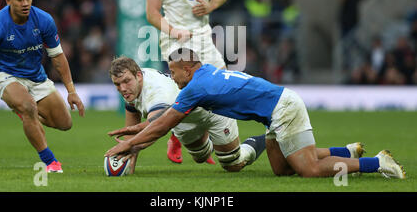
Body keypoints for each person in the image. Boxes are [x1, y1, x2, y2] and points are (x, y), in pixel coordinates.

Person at [105, 48, 406, 179]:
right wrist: (131, 133)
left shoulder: (195, 87)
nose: (173, 78)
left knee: (309, 169)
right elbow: (159, 122)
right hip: (273, 113)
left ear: (188, 68)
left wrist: (127, 144)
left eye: (175, 72)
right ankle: (347, 150)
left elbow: (161, 125)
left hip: (283, 107)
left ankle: (376, 163)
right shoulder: (206, 72)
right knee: (282, 169)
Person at [0, 0, 85, 173]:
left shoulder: (44, 20)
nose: (25, 3)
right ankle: (51, 162)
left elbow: (58, 57)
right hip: (4, 75)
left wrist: (71, 91)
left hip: (36, 76)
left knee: (65, 123)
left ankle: (27, 115)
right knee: (28, 106)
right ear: (8, 0)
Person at [145, 0, 229, 163]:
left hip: (202, 35)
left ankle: (197, 138)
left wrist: (210, 6)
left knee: (219, 86)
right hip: (174, 37)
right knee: (190, 88)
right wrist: (173, 30)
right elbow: (152, 14)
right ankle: (177, 137)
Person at [106, 56, 266, 174]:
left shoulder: (157, 93)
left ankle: (266, 138)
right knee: (200, 157)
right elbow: (132, 127)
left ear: (139, 76)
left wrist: (132, 146)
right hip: (181, 119)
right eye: (117, 84)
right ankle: (210, 140)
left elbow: (155, 128)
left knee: (233, 164)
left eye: (126, 81)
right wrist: (129, 160)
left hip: (211, 111)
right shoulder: (134, 83)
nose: (122, 88)